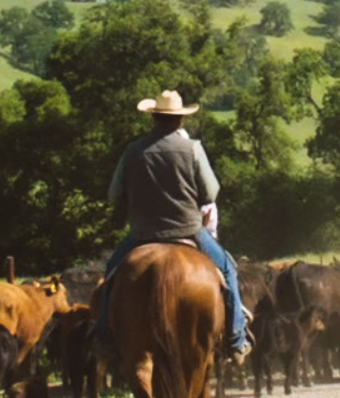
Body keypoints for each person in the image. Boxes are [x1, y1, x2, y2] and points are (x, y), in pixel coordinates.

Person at [95, 90, 249, 359]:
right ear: (180, 121)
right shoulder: (192, 149)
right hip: (189, 230)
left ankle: (104, 339)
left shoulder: (133, 151)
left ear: (153, 118)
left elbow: (113, 194)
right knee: (228, 268)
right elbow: (210, 193)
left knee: (111, 274)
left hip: (142, 234)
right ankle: (236, 339)